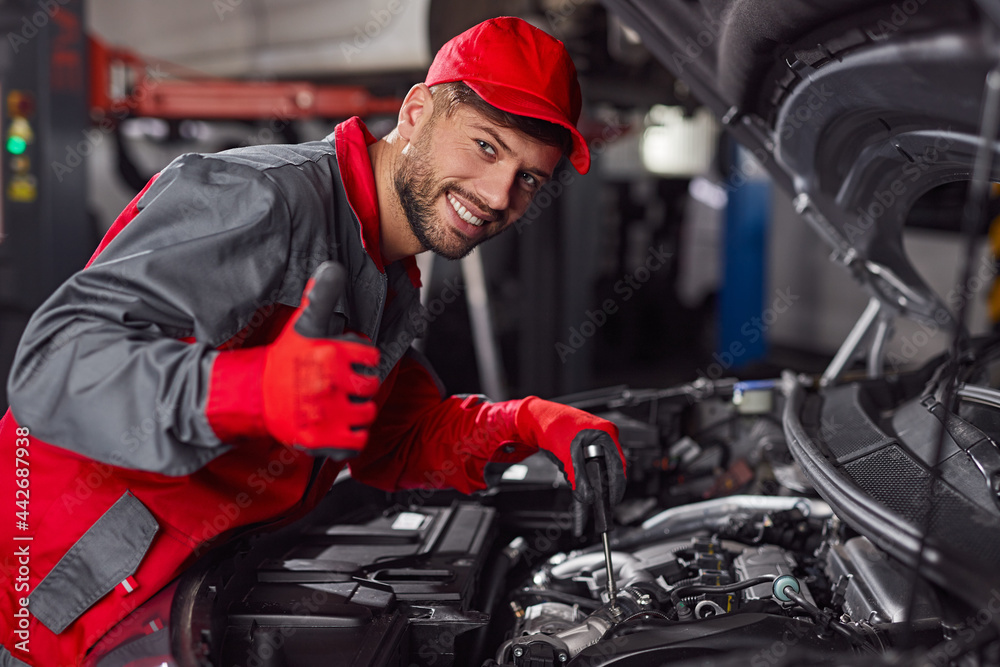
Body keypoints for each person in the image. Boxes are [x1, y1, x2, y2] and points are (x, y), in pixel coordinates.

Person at [0, 16, 626, 666]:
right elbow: (56, 360)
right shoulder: (265, 199)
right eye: (488, 147)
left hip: (182, 595)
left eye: (529, 178)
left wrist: (524, 423)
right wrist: (256, 389)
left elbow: (389, 441)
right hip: (55, 609)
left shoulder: (385, 269)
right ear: (415, 112)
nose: (500, 196)